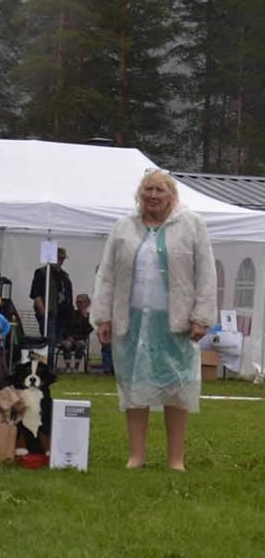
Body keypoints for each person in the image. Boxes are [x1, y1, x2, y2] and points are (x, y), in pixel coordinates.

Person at [91, 168, 216, 471]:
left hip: (176, 324)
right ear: (140, 194)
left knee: (177, 389)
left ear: (172, 195)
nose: (153, 195)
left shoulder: (192, 225)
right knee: (135, 388)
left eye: (160, 190)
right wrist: (103, 317)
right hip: (132, 321)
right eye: (148, 189)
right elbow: (106, 275)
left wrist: (202, 316)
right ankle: (137, 456)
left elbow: (206, 273)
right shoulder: (123, 227)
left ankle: (176, 459)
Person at [29, 247, 73, 368]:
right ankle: (47, 368)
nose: (61, 261)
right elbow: (35, 295)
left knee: (54, 342)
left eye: (63, 258)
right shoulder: (42, 273)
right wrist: (44, 313)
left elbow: (69, 297)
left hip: (62, 317)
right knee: (49, 342)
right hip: (49, 315)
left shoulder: (65, 276)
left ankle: (47, 367)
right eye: (59, 258)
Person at [59, 293, 94, 373]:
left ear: (86, 303)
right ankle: (67, 367)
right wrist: (68, 336)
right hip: (68, 338)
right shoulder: (71, 314)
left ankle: (76, 367)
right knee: (66, 344)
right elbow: (64, 327)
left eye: (81, 302)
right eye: (77, 302)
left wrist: (85, 317)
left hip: (80, 340)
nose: (78, 304)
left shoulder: (89, 316)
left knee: (80, 344)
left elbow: (88, 330)